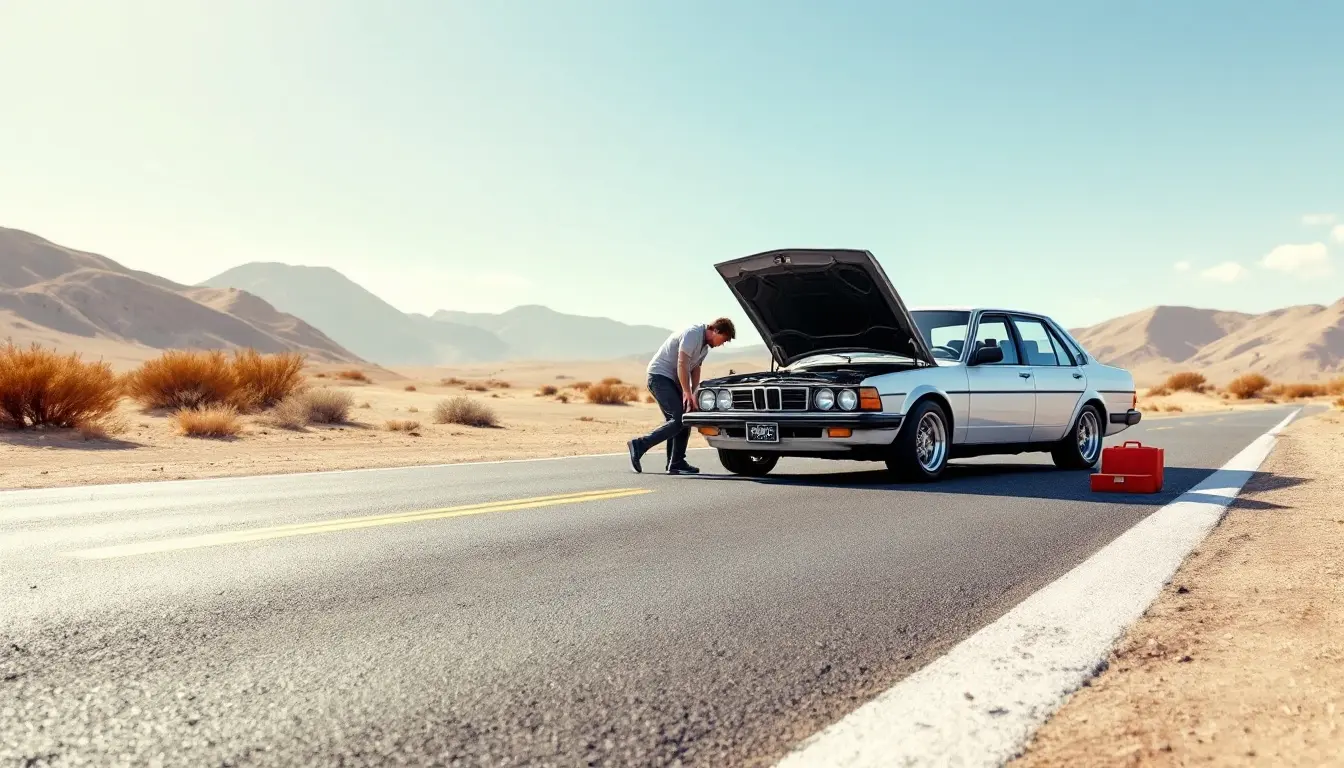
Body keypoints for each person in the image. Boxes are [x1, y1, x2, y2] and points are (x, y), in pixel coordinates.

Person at [627, 317, 736, 474]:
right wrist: (686, 392)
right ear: (716, 331)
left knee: (685, 416)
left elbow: (695, 369)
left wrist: (693, 393)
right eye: (723, 339)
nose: (722, 344)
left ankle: (676, 462)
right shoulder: (693, 334)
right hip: (659, 377)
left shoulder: (704, 348)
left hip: (672, 381)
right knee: (679, 419)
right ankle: (639, 445)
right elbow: (682, 363)